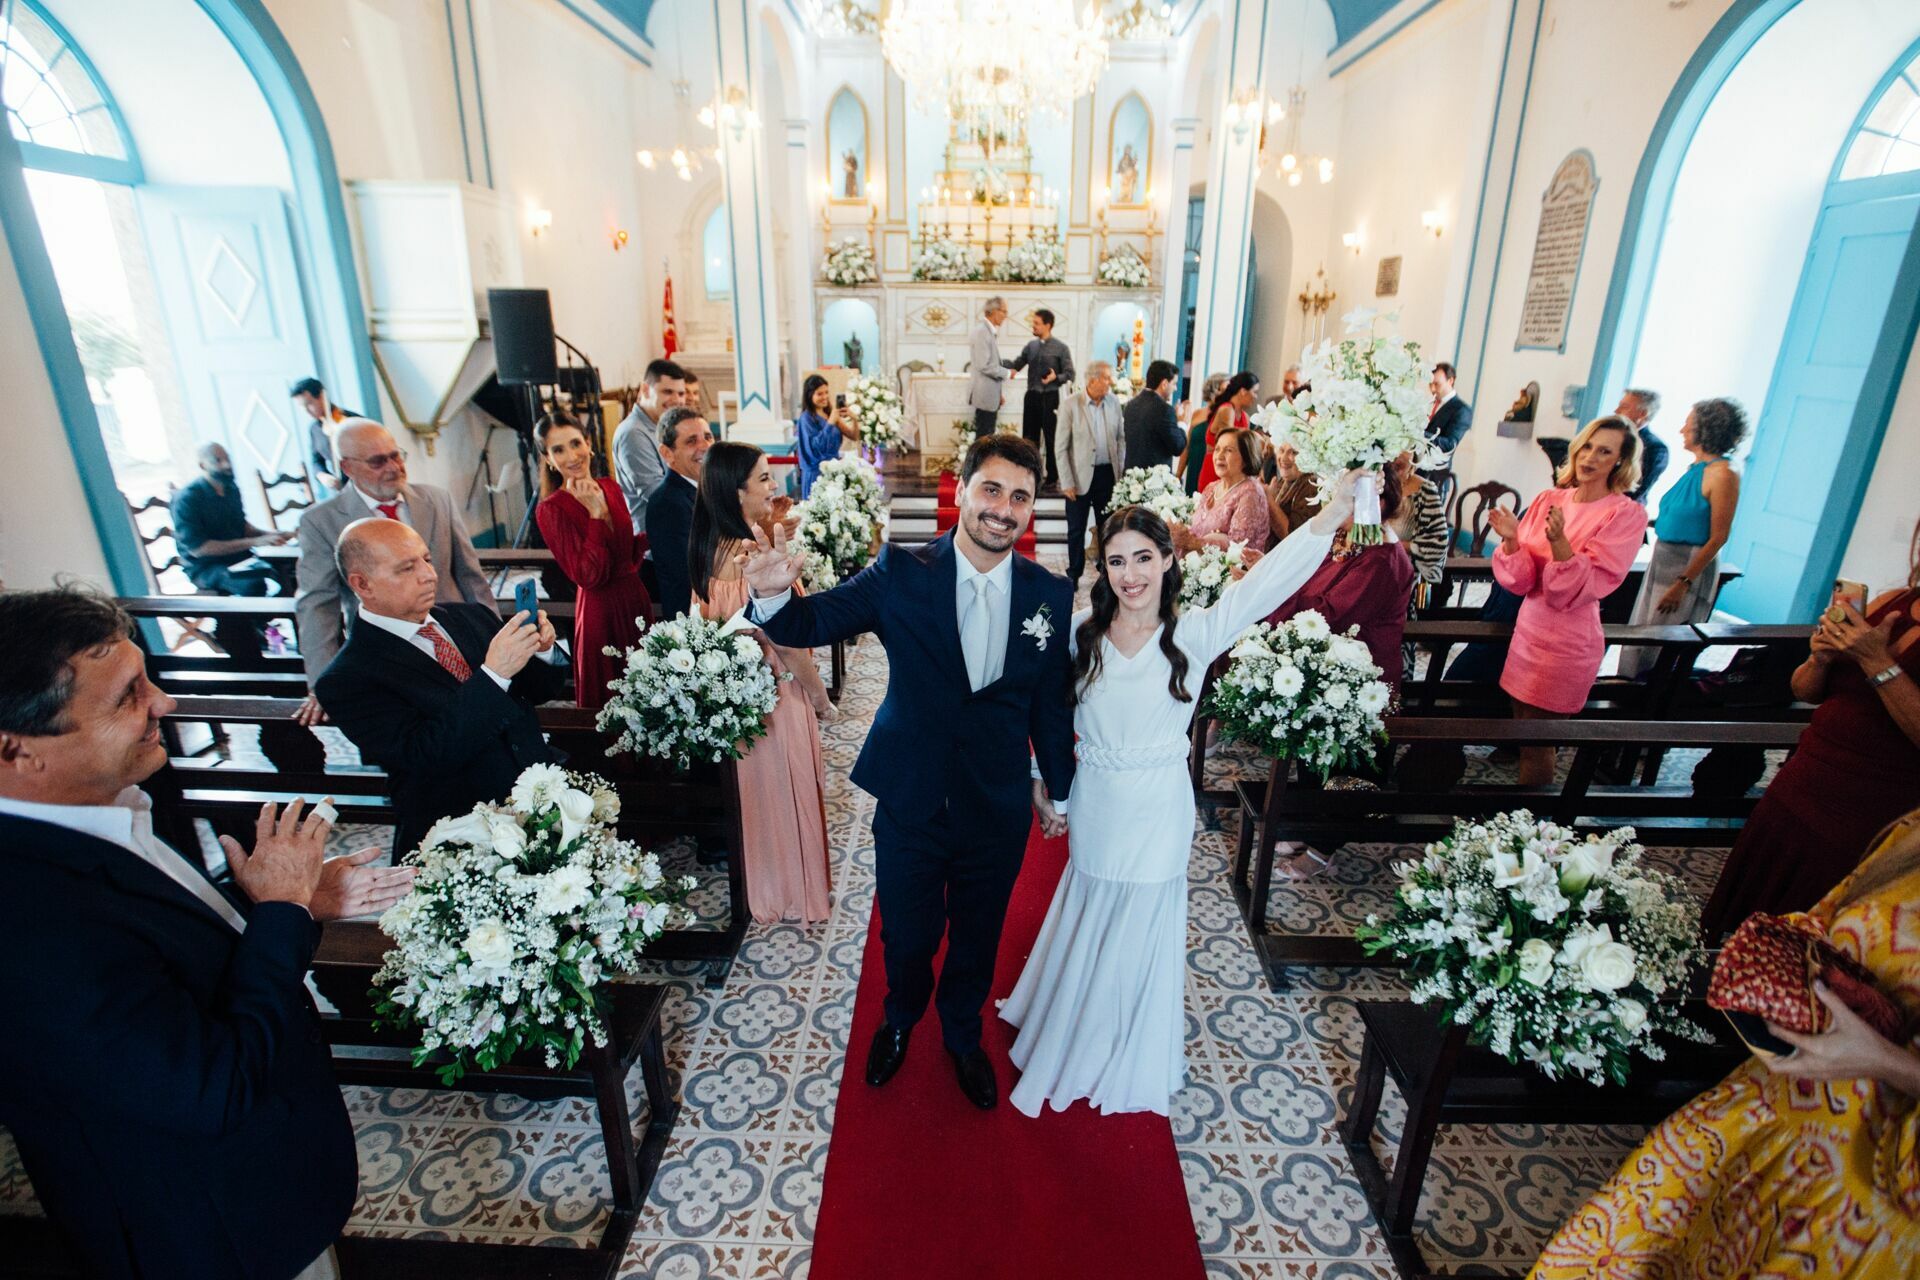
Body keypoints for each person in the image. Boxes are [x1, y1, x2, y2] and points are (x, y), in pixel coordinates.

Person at [0, 587, 412, 1279]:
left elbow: (157, 957)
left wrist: (289, 905)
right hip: (211, 1230)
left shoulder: (104, 808)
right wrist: (279, 912)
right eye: (129, 696)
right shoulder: (24, 921)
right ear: (16, 751)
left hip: (258, 1187)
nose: (164, 704)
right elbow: (210, 1088)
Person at [738, 436, 1075, 1110]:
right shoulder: (901, 570)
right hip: (911, 792)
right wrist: (774, 597)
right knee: (909, 932)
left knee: (979, 933)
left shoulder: (1048, 593)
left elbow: (1049, 698)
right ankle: (899, 1019)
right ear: (966, 490)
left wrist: (1057, 786)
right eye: (991, 490)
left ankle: (960, 1034)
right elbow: (813, 620)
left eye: (1019, 497)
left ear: (1033, 508)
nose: (1002, 510)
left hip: (997, 799)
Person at [1000, 478, 1357, 1116]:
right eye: (1116, 560)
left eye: (1143, 557)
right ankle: (1074, 1023)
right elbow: (1041, 711)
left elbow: (1267, 582)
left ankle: (1125, 1044)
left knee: (1141, 921)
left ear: (1169, 559)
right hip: (1099, 801)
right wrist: (1043, 783)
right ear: (1101, 567)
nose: (1130, 574)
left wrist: (1327, 520)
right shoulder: (1080, 632)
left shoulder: (1195, 632)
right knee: (1092, 902)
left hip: (1161, 808)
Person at [1532, 808, 1920, 1280]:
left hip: (1870, 1194)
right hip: (1767, 1112)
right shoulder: (1911, 832)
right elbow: (1829, 922)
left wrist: (1886, 1061)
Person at [1699, 518, 1920, 938]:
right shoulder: (1894, 600)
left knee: (1807, 941)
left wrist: (1876, 661)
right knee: (1745, 913)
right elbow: (1806, 690)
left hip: (1866, 813)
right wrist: (1819, 657)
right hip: (1800, 784)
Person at [315, 520, 565, 857]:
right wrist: (494, 674)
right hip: (459, 833)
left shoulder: (470, 617)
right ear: (363, 584)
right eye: (407, 568)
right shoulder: (347, 678)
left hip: (539, 797)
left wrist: (543, 650)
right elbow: (425, 753)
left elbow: (539, 689)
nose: (429, 575)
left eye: (427, 560)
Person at [690, 442, 835, 924]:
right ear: (736, 493)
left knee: (761, 801)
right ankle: (797, 893)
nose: (775, 486)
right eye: (764, 479)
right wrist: (819, 695)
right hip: (778, 692)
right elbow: (786, 641)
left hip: (744, 701)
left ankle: (770, 888)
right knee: (786, 791)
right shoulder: (749, 559)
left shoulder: (712, 546)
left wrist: (774, 523)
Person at [292, 420, 494, 726]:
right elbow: (318, 605)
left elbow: (470, 576)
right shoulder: (321, 521)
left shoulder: (436, 499)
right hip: (387, 655)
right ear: (347, 467)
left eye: (396, 455)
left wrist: (496, 636)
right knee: (416, 744)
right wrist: (322, 684)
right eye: (377, 461)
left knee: (482, 723)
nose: (393, 467)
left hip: (453, 639)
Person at [1487, 416, 1647, 786]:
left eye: (1605, 451)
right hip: (1529, 631)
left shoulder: (1624, 514)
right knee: (1522, 731)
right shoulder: (1549, 499)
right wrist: (1512, 539)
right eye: (1588, 446)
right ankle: (1520, 819)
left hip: (1567, 641)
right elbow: (1524, 580)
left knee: (1539, 743)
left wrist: (1561, 545)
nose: (1590, 457)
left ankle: (1530, 828)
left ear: (1620, 462)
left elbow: (1582, 587)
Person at [1618, 397, 1746, 678]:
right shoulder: (1695, 470)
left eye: (1688, 425)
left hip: (1685, 567)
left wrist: (1683, 583)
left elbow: (1719, 536)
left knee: (1662, 639)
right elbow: (1681, 516)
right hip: (1662, 560)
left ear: (1706, 430)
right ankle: (1628, 689)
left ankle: (1648, 697)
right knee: (1641, 631)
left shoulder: (1724, 473)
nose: (1681, 431)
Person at [533, 413, 654, 708]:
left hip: (634, 598)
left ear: (589, 444)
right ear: (548, 459)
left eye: (576, 443)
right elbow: (587, 575)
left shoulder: (609, 486)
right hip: (601, 610)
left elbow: (628, 552)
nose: (572, 456)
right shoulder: (551, 509)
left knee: (651, 692)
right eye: (558, 450)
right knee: (614, 699)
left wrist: (659, 532)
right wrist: (596, 516)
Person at [170, 442, 291, 660]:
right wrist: (255, 542)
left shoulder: (231, 489)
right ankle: (246, 647)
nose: (226, 465)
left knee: (289, 574)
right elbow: (199, 549)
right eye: (218, 460)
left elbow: (242, 527)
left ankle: (271, 631)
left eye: (227, 458)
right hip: (207, 568)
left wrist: (273, 535)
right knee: (251, 584)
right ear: (202, 465)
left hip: (240, 559)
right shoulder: (187, 498)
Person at [1057, 361, 1126, 582]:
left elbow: (1120, 438)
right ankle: (1074, 574)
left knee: (1108, 527)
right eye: (1106, 378)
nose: (1110, 382)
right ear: (1092, 380)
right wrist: (1066, 481)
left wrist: (1120, 471)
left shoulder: (1114, 402)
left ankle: (1106, 571)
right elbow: (1061, 447)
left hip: (1107, 475)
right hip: (1078, 477)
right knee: (1076, 529)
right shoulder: (1071, 405)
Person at [645, 405, 715, 620]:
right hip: (692, 620)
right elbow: (688, 574)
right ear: (667, 453)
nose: (704, 447)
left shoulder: (708, 490)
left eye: (708, 437)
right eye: (691, 441)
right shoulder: (666, 504)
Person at [1388, 451, 1451, 684]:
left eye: (1399, 466)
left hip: (1404, 579)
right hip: (1373, 574)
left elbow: (1437, 541)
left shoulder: (1425, 491)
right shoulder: (1373, 486)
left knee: (1397, 648)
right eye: (1389, 465)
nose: (1394, 472)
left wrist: (1398, 545)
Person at [611, 358, 690, 534]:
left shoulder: (663, 426)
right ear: (645, 390)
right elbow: (657, 494)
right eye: (668, 392)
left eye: (681, 393)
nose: (677, 400)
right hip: (654, 543)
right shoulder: (633, 433)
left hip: (678, 529)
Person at [1007, 307, 1075, 487]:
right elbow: (1017, 364)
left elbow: (1070, 374)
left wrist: (1056, 378)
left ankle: (1052, 476)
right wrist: (1002, 367)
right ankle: (1030, 474)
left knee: (1052, 437)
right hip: (1032, 397)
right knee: (1029, 438)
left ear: (1048, 325)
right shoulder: (1031, 346)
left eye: (1037, 323)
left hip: (1050, 397)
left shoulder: (1061, 348)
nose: (1033, 326)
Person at [1189, 427, 1272, 552]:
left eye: (1228, 450)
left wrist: (1193, 543)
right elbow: (1196, 529)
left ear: (1246, 457)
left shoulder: (1250, 492)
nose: (1219, 456)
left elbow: (1237, 546)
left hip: (1233, 569)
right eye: (1217, 449)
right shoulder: (1211, 488)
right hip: (1199, 563)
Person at [1186, 371, 1258, 495]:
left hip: (1232, 471)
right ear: (1243, 392)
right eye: (1254, 392)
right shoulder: (1227, 410)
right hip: (1216, 470)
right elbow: (1230, 444)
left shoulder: (1245, 416)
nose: (1256, 397)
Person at [290, 376, 360, 492]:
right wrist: (322, 475)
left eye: (309, 404)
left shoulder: (352, 421)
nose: (306, 411)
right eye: (302, 407)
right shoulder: (314, 429)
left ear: (322, 397)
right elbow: (316, 461)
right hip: (344, 490)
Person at [795, 373, 859, 498]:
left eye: (826, 392)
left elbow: (853, 436)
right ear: (810, 395)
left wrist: (854, 419)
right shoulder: (806, 419)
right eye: (819, 394)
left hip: (833, 470)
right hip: (816, 473)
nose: (824, 397)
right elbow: (815, 448)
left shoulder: (830, 413)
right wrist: (830, 423)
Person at [1123, 359, 1187, 473]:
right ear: (1164, 384)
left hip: (1132, 479)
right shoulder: (1165, 410)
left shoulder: (1131, 405)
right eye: (1174, 383)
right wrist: (1182, 422)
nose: (1175, 388)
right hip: (1154, 482)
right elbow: (1178, 447)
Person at [967, 296, 1012, 440]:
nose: (1006, 316)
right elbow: (984, 365)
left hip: (989, 396)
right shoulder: (982, 331)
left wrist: (998, 394)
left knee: (987, 438)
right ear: (994, 311)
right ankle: (980, 463)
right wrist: (1007, 373)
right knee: (984, 440)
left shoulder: (987, 331)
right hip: (984, 397)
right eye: (1004, 311)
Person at [1265, 438, 1322, 543]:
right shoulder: (1283, 480)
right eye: (1281, 450)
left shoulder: (1312, 485)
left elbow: (1293, 538)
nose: (1283, 458)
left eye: (1294, 452)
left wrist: (1269, 501)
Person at [1617, 387, 1668, 503]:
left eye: (1624, 407)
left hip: (1623, 510)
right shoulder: (1611, 437)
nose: (1616, 411)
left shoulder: (1656, 448)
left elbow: (1636, 489)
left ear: (1643, 414)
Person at [1426, 362, 1472, 457]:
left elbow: (1450, 445)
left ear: (1450, 381)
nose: (1433, 389)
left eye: (1437, 384)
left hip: (1433, 467)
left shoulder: (1462, 410)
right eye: (1430, 385)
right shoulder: (1428, 403)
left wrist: (1419, 435)